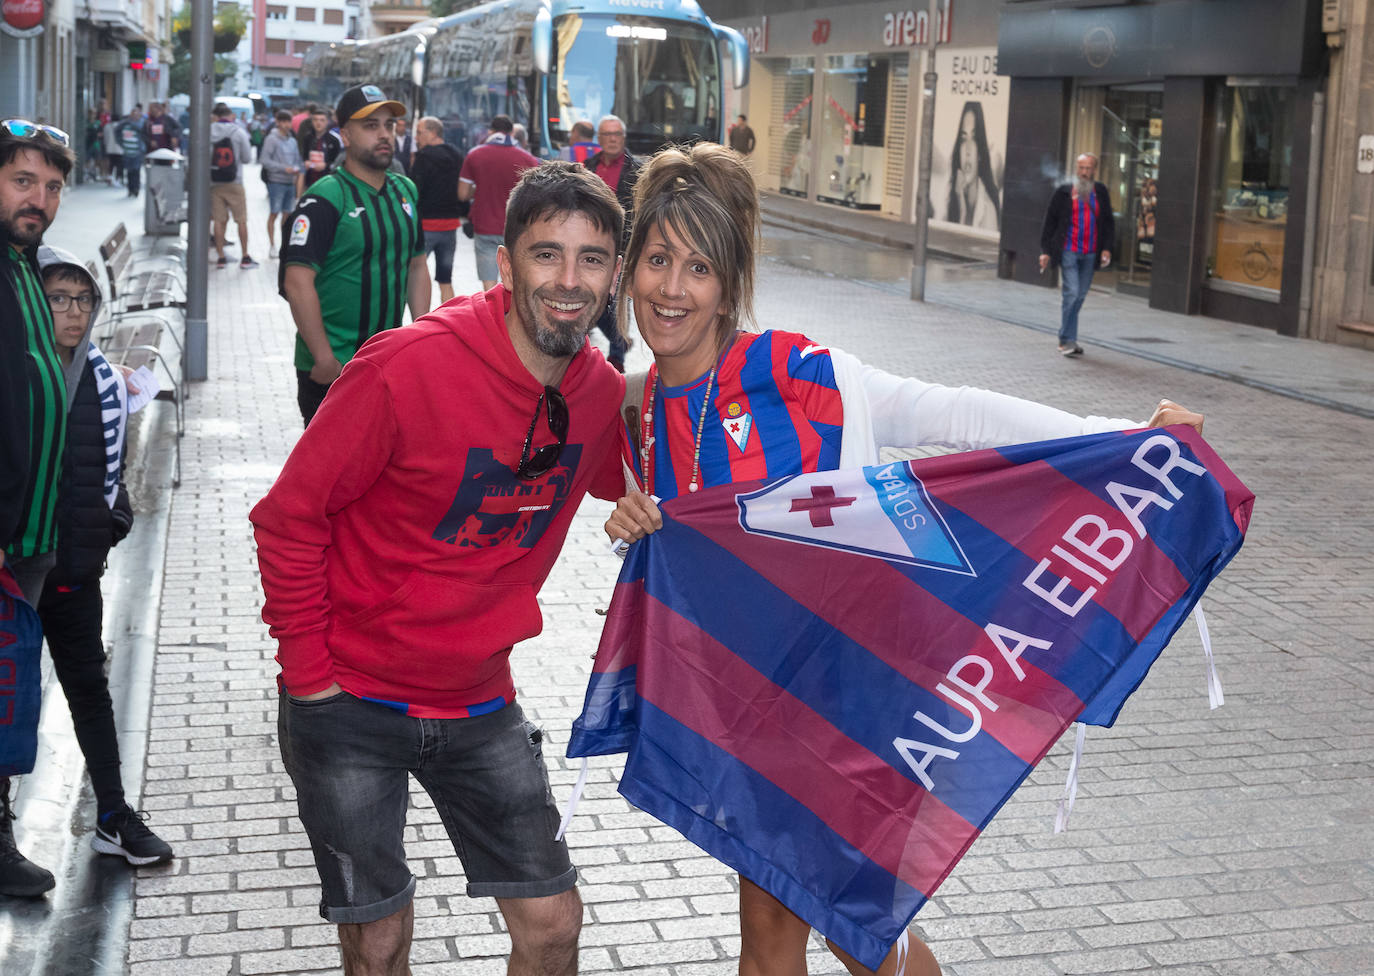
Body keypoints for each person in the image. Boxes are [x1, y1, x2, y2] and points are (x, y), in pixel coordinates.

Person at [601, 143, 1204, 976]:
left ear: (729, 280)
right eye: (657, 259)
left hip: (850, 699)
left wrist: (1126, 440)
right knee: (803, 928)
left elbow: (957, 415)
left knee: (838, 926)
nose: (672, 289)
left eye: (698, 266)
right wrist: (636, 526)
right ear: (629, 266)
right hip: (743, 706)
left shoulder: (805, 376)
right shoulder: (633, 409)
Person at [250, 161, 628, 976]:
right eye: (545, 255)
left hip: (478, 700)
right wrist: (309, 674)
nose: (568, 281)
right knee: (379, 941)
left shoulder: (597, 396)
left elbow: (640, 474)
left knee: (553, 923)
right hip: (347, 698)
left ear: (614, 275)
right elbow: (287, 517)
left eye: (591, 258)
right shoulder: (404, 367)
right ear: (504, 263)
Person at [34, 247, 176, 868]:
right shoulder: (17, 370)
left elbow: (109, 476)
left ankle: (114, 815)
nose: (72, 312)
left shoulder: (99, 378)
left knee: (89, 690)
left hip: (72, 574)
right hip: (15, 575)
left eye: (82, 300)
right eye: (58, 298)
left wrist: (107, 527)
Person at [0, 119, 73, 898]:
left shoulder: (22, 261)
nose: (40, 200)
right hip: (5, 535)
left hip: (29, 533)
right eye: (23, 182)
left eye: (51, 188)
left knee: (8, 689)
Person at [279, 84, 431, 425]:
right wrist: (323, 359)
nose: (383, 135)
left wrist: (422, 337)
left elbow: (416, 265)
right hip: (332, 368)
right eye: (370, 125)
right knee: (330, 473)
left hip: (385, 361)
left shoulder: (405, 190)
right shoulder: (325, 199)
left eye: (389, 126)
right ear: (345, 135)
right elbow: (297, 282)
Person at [1039, 152, 1114, 357]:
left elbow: (1107, 222)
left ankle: (1067, 337)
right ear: (1076, 168)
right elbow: (1050, 223)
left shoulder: (1100, 192)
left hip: (1091, 253)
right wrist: (1045, 251)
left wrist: (1106, 248)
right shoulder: (1064, 192)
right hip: (1069, 251)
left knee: (1079, 296)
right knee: (1071, 293)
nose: (1084, 172)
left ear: (1094, 170)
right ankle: (1067, 339)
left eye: (1088, 168)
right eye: (1081, 168)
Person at [583, 114, 639, 372]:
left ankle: (617, 358)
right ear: (600, 139)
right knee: (592, 296)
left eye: (617, 135)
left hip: (624, 247)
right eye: (608, 135)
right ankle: (618, 341)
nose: (613, 140)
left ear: (623, 138)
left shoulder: (637, 171)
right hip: (590, 244)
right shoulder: (588, 167)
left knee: (617, 304)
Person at [458, 114, 538, 290]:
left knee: (489, 286)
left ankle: (494, 317)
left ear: (491, 131)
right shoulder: (528, 159)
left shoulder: (475, 155)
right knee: (514, 283)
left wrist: (479, 188)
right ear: (512, 132)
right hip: (517, 229)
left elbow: (463, 194)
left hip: (484, 226)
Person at [410, 116, 467, 306]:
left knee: (413, 277)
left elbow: (414, 192)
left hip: (425, 227)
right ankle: (448, 323)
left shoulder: (423, 157)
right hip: (450, 227)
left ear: (432, 133)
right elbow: (464, 189)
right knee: (445, 279)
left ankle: (417, 325)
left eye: (419, 133)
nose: (416, 138)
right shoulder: (458, 155)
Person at [209, 102, 259, 270]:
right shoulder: (238, 132)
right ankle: (245, 256)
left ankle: (221, 257)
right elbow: (246, 158)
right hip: (235, 182)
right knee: (241, 220)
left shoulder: (207, 130)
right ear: (230, 115)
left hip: (214, 182)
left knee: (218, 220)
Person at [945, 101, 1000, 231]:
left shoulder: (988, 210)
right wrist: (961, 205)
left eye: (974, 138)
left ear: (980, 153)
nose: (968, 150)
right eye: (964, 138)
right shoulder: (948, 198)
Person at [261, 109, 303, 259]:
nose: (286, 125)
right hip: (276, 181)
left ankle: (285, 244)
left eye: (288, 121)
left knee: (288, 215)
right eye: (283, 121)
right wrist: (283, 168)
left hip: (290, 182)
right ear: (277, 122)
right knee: (274, 212)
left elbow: (298, 160)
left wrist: (297, 169)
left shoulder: (292, 140)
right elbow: (265, 160)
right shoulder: (271, 139)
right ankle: (272, 245)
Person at [298, 107, 342, 193]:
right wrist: (306, 161)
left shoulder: (334, 140)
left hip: (327, 180)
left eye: (322, 120)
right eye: (315, 120)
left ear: (327, 122)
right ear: (312, 122)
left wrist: (326, 165)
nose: (318, 123)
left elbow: (338, 161)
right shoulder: (307, 138)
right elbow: (304, 156)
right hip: (309, 180)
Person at [116, 106, 145, 197]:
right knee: (129, 171)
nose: (134, 115)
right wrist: (121, 144)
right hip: (127, 151)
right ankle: (130, 189)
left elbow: (140, 129)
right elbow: (117, 131)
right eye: (133, 113)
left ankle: (136, 188)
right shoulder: (124, 124)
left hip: (137, 152)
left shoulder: (141, 123)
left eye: (136, 114)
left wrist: (131, 122)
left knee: (136, 171)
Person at [102, 110, 123, 185]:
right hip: (119, 149)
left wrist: (106, 145)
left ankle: (110, 177)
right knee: (119, 165)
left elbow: (105, 137)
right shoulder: (121, 126)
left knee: (111, 164)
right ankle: (118, 179)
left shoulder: (107, 126)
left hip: (110, 148)